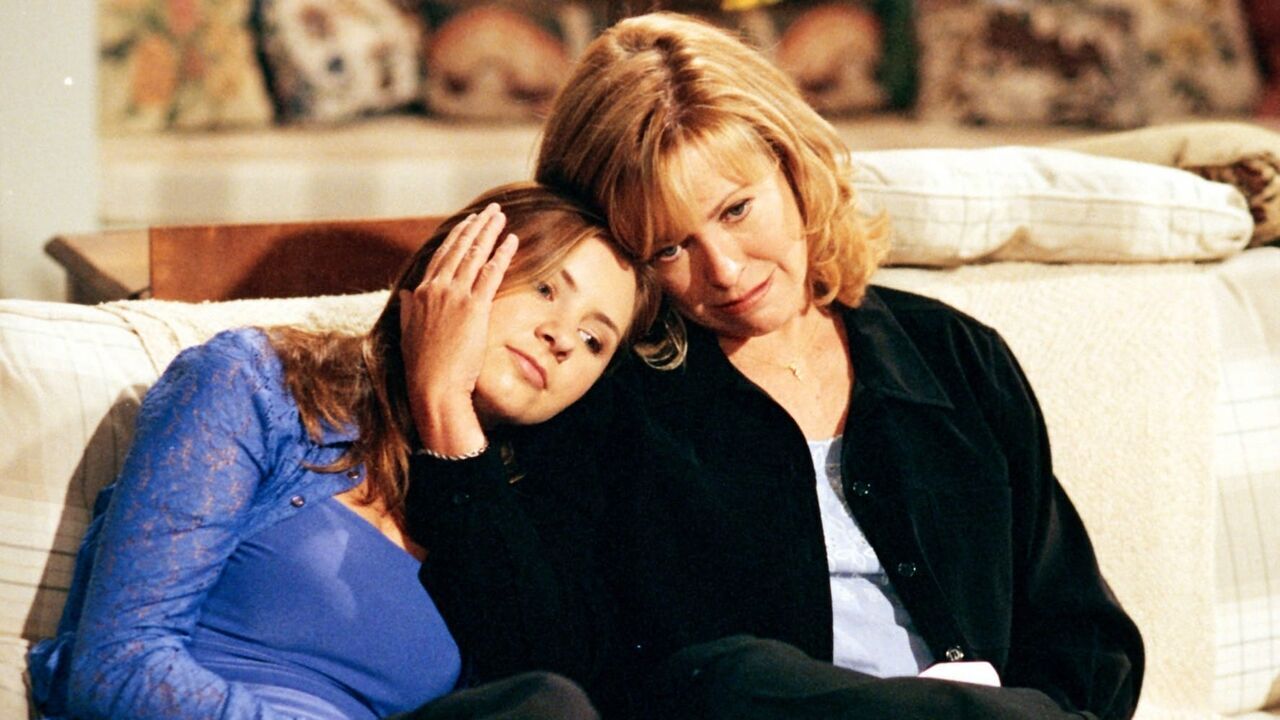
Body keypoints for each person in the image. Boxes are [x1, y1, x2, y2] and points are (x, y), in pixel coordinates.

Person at [410, 12, 1145, 720]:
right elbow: (544, 660)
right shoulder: (608, 393)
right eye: (669, 248)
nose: (725, 271)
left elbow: (1086, 635)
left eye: (736, 210)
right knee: (729, 676)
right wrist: (448, 417)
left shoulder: (952, 354)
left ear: (793, 167)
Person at [25, 183, 661, 720]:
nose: (562, 338)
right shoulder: (254, 385)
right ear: (451, 271)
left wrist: (444, 403)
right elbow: (116, 665)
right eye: (546, 289)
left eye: (594, 340)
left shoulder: (514, 523)